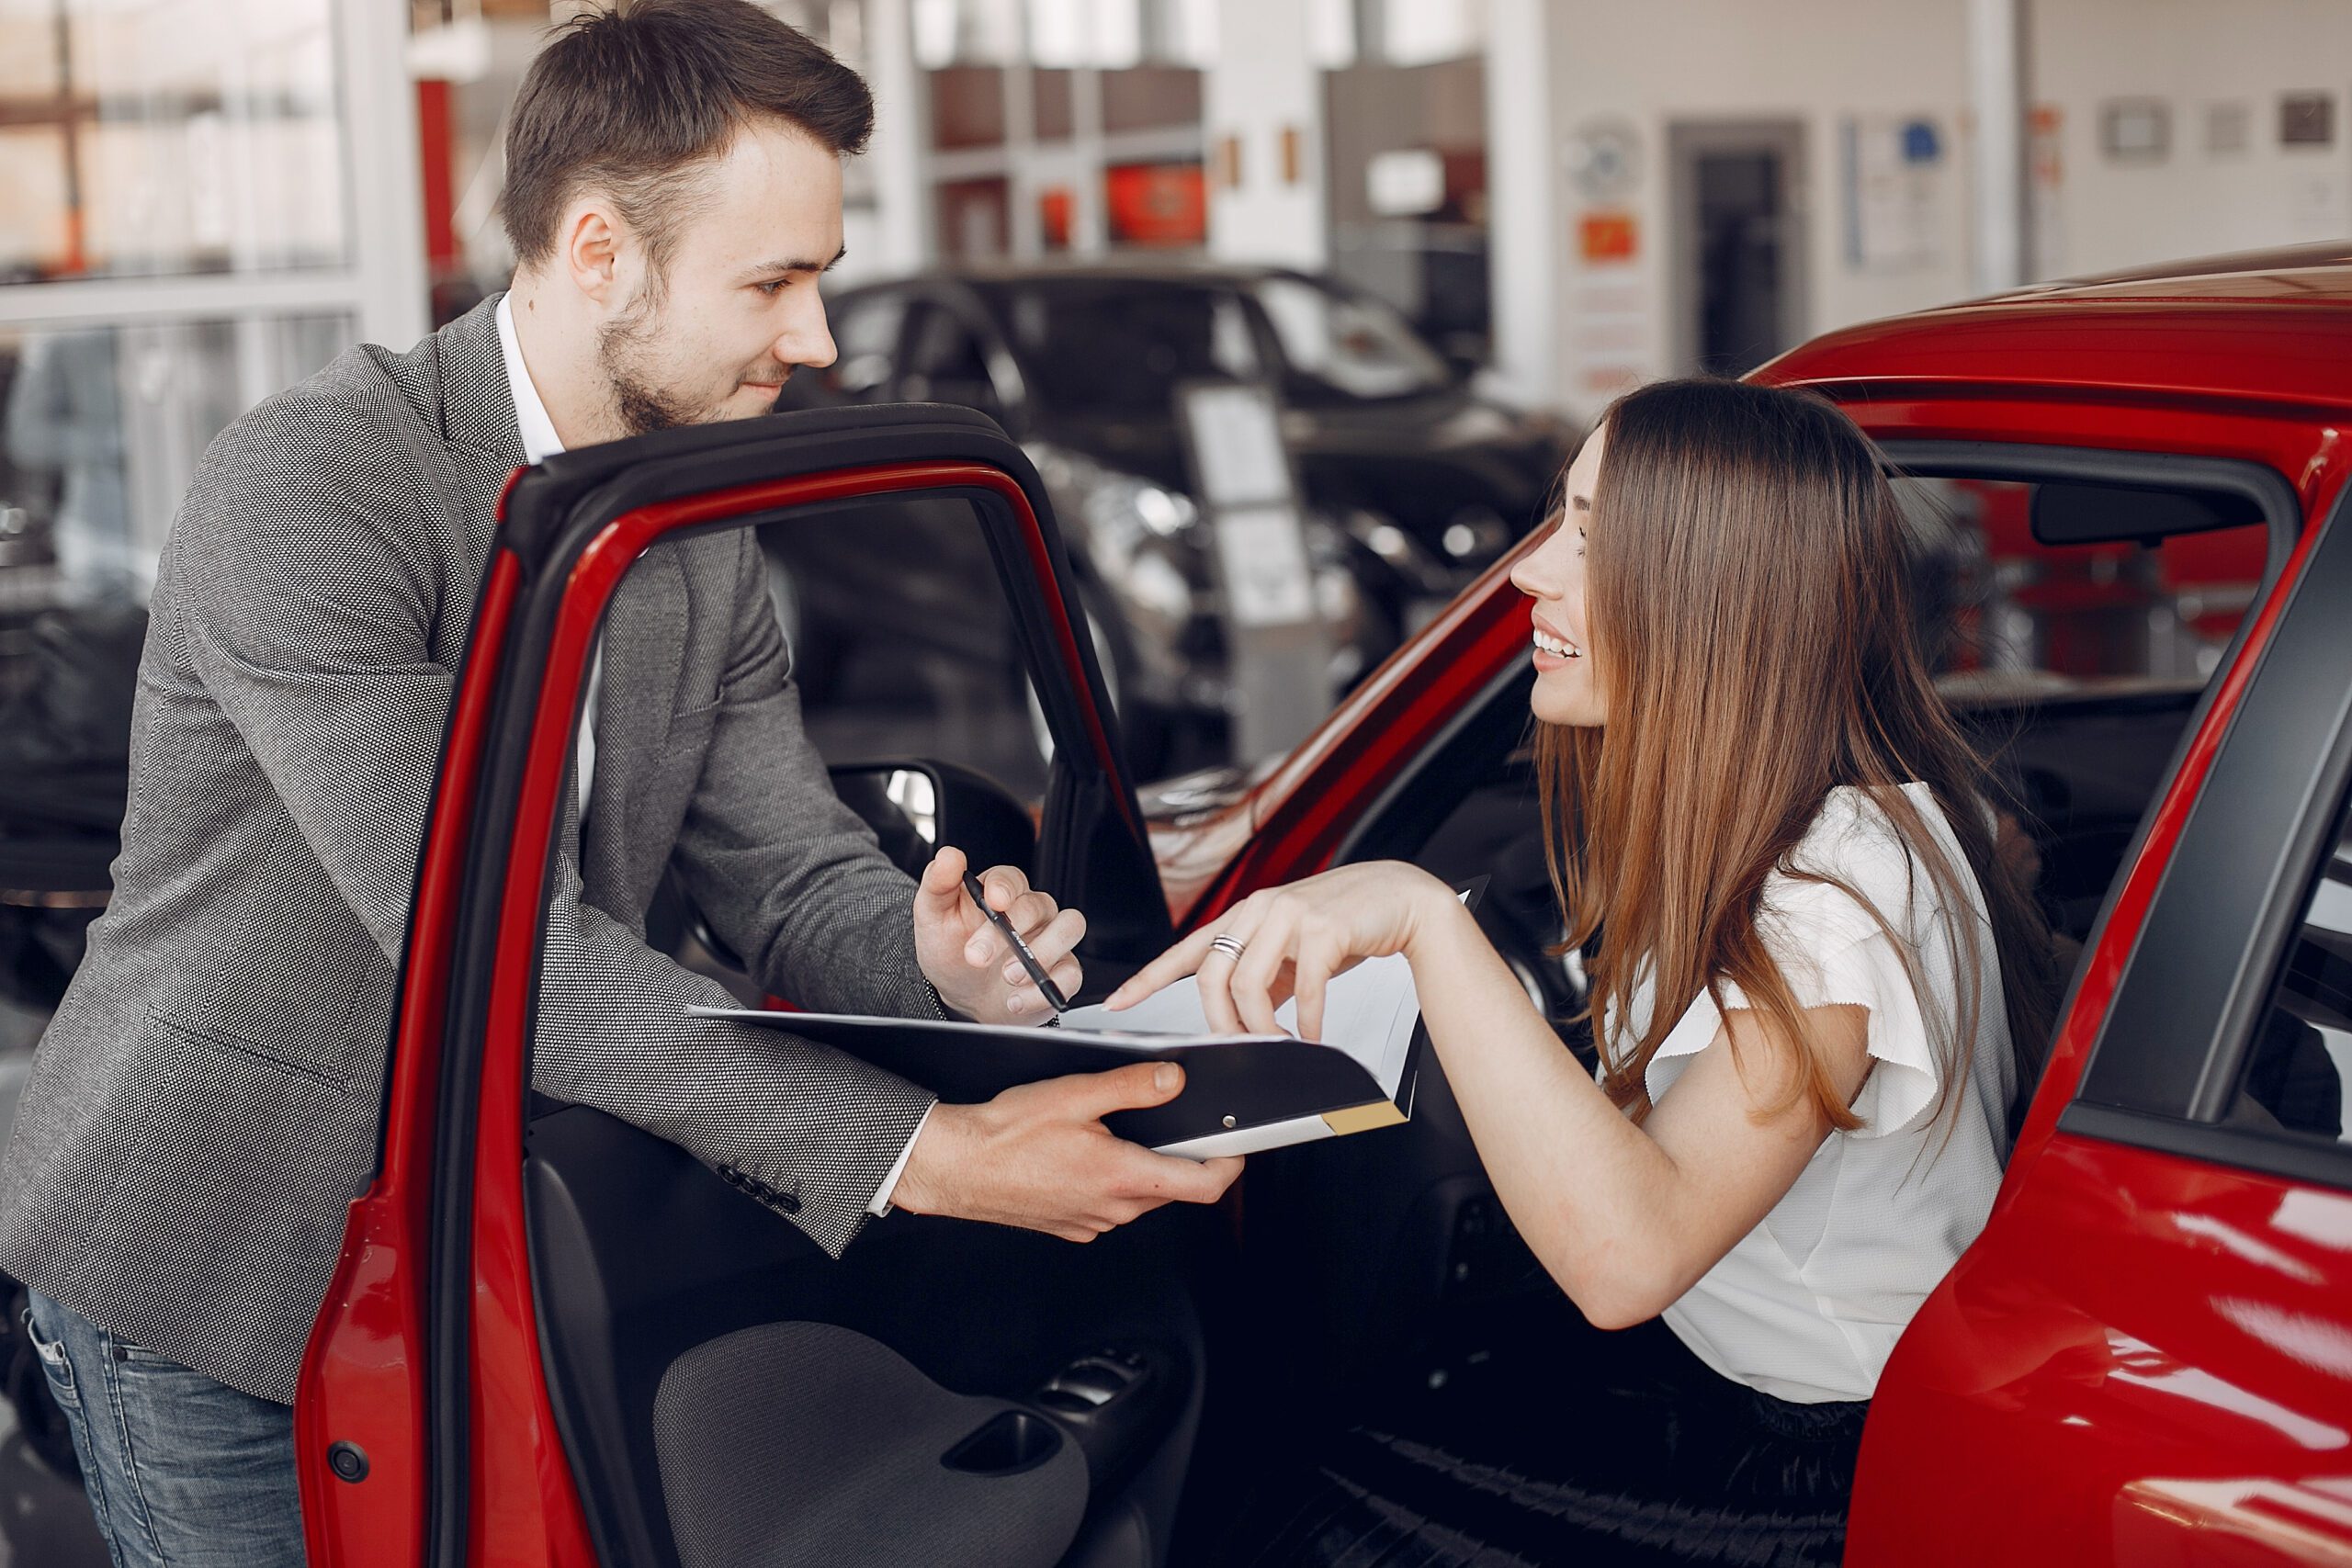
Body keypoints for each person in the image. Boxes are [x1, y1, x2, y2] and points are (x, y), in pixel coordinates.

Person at [0, 5, 1238, 1562]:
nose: (819, 341)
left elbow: (788, 875)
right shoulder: (314, 485)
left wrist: (937, 958)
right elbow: (500, 955)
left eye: (819, 281)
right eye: (772, 285)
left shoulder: (688, 514)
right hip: (219, 1258)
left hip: (482, 1232)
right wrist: (942, 1164)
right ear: (599, 250)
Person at [1109, 378, 2059, 1563]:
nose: (1529, 571)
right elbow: (1648, 1127)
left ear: (1714, 595)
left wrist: (1420, 919)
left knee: (1307, 1507)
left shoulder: (1834, 898)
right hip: (1738, 1385)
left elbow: (1626, 1262)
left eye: (1593, 537)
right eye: (1559, 515)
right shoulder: (1788, 830)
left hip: (1821, 1472)